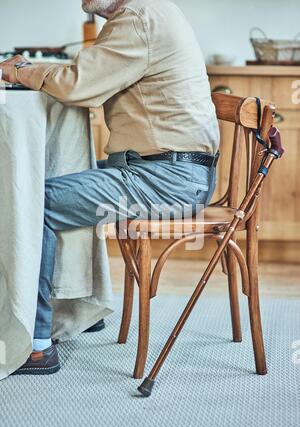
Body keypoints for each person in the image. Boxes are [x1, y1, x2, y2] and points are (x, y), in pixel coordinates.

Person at [0, 0, 220, 375]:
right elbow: (85, 77)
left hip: (165, 180)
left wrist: (20, 70)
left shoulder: (137, 16)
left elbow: (80, 85)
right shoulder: (152, 11)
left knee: (35, 203)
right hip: (172, 172)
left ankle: (37, 346)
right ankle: (78, 307)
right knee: (67, 178)